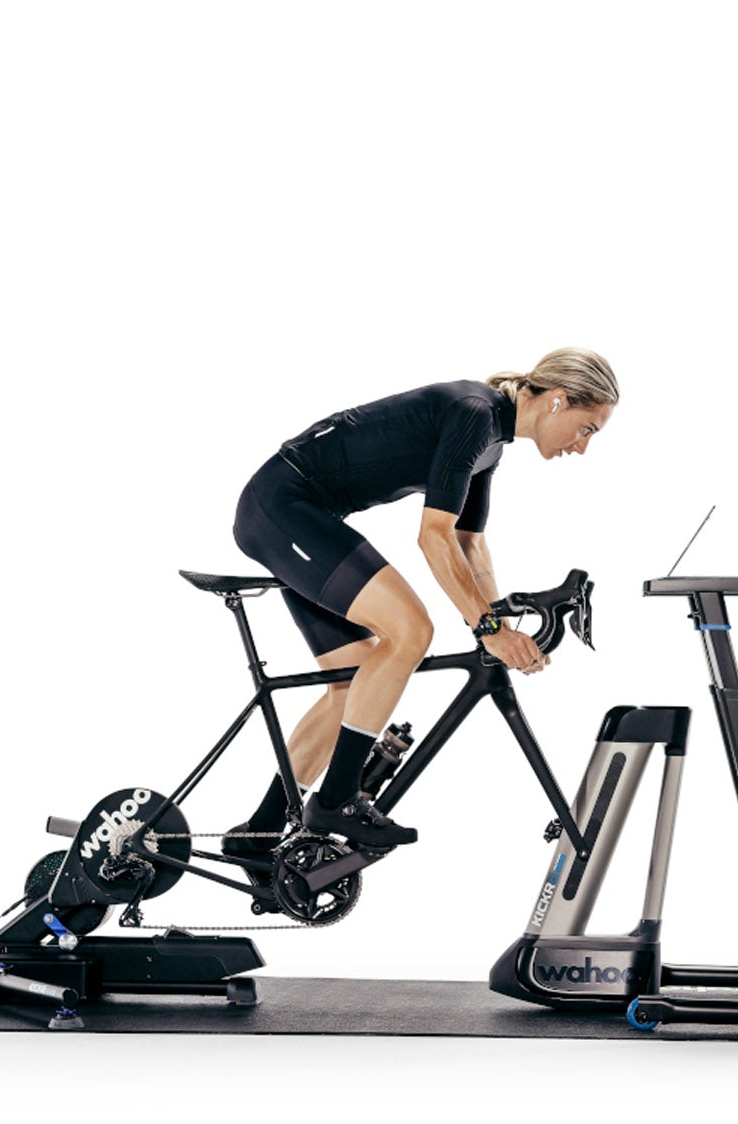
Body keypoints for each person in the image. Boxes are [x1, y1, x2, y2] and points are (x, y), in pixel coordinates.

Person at [226, 348, 619, 854]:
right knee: (411, 630)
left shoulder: (491, 443)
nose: (582, 447)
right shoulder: (474, 414)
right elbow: (433, 536)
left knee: (354, 682)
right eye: (587, 429)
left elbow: (470, 544)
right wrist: (488, 629)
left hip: (301, 513)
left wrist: (497, 623)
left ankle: (258, 835)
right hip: (281, 504)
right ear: (558, 400)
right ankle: (337, 800)